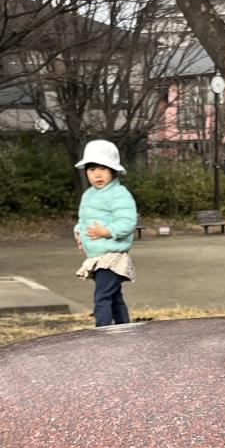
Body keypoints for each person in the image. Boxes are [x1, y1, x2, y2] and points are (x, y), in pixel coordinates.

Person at [73, 139, 138, 326]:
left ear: (113, 171)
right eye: (92, 170)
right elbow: (83, 219)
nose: (97, 175)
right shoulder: (88, 195)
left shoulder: (119, 193)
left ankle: (101, 333)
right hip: (96, 254)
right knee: (114, 296)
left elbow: (127, 221)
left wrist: (106, 231)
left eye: (103, 169)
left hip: (112, 256)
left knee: (102, 296)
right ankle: (123, 328)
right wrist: (79, 233)